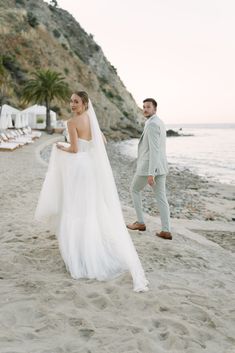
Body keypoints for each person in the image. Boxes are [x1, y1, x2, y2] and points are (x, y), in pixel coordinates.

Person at [35, 91, 149, 292]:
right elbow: (101, 142)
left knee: (75, 209)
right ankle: (91, 249)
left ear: (84, 103)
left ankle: (79, 253)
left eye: (76, 101)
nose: (72, 104)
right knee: (89, 209)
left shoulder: (72, 123)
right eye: (70, 101)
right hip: (91, 169)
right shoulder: (91, 120)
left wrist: (60, 146)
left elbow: (74, 150)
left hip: (79, 169)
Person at [127, 98, 172, 240]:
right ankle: (166, 230)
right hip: (161, 166)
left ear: (155, 109)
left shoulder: (152, 124)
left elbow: (154, 150)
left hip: (149, 167)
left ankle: (140, 223)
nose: (145, 109)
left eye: (148, 107)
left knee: (134, 190)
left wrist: (151, 173)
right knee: (161, 197)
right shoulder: (159, 122)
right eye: (144, 107)